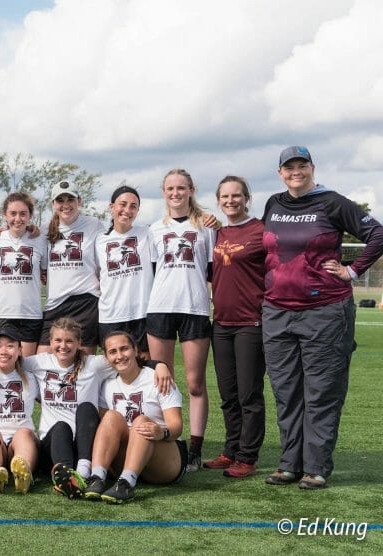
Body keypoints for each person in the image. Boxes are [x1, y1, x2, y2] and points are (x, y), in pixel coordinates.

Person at [261, 146, 383, 489]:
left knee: (321, 392)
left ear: (312, 168)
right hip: (277, 312)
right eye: (289, 167)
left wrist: (352, 270)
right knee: (286, 392)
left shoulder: (331, 202)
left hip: (324, 312)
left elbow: (377, 234)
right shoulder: (274, 203)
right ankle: (289, 464)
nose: (295, 171)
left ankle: (315, 468)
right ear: (280, 172)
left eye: (302, 165)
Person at [146, 169, 215, 471]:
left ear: (191, 189)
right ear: (163, 191)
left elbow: (213, 271)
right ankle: (167, 442)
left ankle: (196, 449)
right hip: (160, 308)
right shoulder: (153, 229)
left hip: (195, 308)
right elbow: (148, 272)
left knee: (195, 383)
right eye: (170, 188)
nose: (175, 193)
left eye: (181, 188)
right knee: (162, 382)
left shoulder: (207, 227)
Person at [205, 176, 266, 479]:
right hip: (221, 323)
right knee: (228, 393)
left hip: (251, 323)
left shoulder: (261, 231)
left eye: (236, 195)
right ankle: (230, 450)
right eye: (225, 196)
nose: (231, 200)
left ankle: (247, 456)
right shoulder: (215, 233)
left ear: (246, 198)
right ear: (218, 200)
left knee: (248, 395)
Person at [84, 331, 186, 504]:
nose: (119, 356)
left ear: (135, 350)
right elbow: (106, 430)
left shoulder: (158, 378)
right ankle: (97, 477)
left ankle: (126, 484)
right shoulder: (107, 384)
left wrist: (161, 432)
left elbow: (176, 427)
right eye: (113, 352)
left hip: (164, 460)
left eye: (124, 349)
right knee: (110, 417)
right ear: (106, 357)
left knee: (141, 421)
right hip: (124, 458)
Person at [27, 318, 111, 499]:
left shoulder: (93, 365)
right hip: (52, 448)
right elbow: (8, 363)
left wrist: (158, 366)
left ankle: (82, 472)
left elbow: (125, 360)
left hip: (84, 445)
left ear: (79, 343)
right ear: (50, 342)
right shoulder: (40, 362)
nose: (63, 346)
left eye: (69, 341)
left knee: (87, 408)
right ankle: (66, 477)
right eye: (58, 340)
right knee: (60, 426)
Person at [39, 180, 105, 355]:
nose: (66, 204)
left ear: (79, 201)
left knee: (82, 366)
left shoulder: (94, 225)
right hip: (55, 304)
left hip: (86, 303)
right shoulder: (44, 231)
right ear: (53, 204)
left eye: (71, 199)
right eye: (60, 200)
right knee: (42, 360)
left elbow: (102, 264)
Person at [95, 185, 155, 356]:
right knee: (115, 371)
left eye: (133, 206)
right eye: (122, 204)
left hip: (142, 315)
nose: (127, 210)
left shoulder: (147, 233)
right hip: (111, 316)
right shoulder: (98, 240)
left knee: (145, 371)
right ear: (112, 207)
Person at [0, 328, 38, 494]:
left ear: (19, 350)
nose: (3, 351)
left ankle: (25, 475)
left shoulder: (31, 378)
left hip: (21, 441)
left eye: (10, 346)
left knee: (24, 432)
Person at [0, 192, 48, 355]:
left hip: (30, 314)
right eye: (13, 213)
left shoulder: (41, 239)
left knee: (25, 368)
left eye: (23, 213)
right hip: (1, 312)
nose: (18, 218)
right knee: (3, 366)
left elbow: (45, 272)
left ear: (30, 215)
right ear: (4, 215)